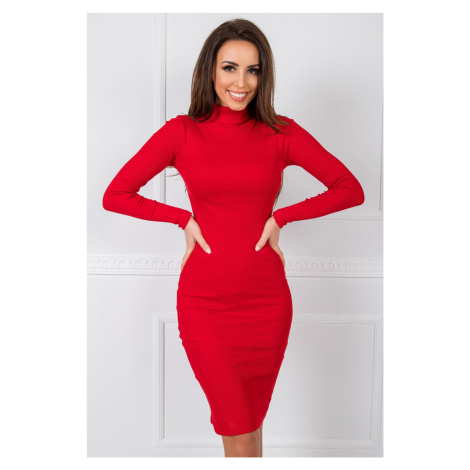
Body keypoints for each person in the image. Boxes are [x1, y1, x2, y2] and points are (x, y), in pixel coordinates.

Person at [102, 18, 365, 458]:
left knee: (250, 427)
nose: (241, 83)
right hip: (205, 304)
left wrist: (281, 217)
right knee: (238, 427)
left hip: (267, 303)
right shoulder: (181, 132)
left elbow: (349, 188)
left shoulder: (281, 133)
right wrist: (183, 219)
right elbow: (116, 195)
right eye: (229, 68)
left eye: (252, 70)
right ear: (210, 70)